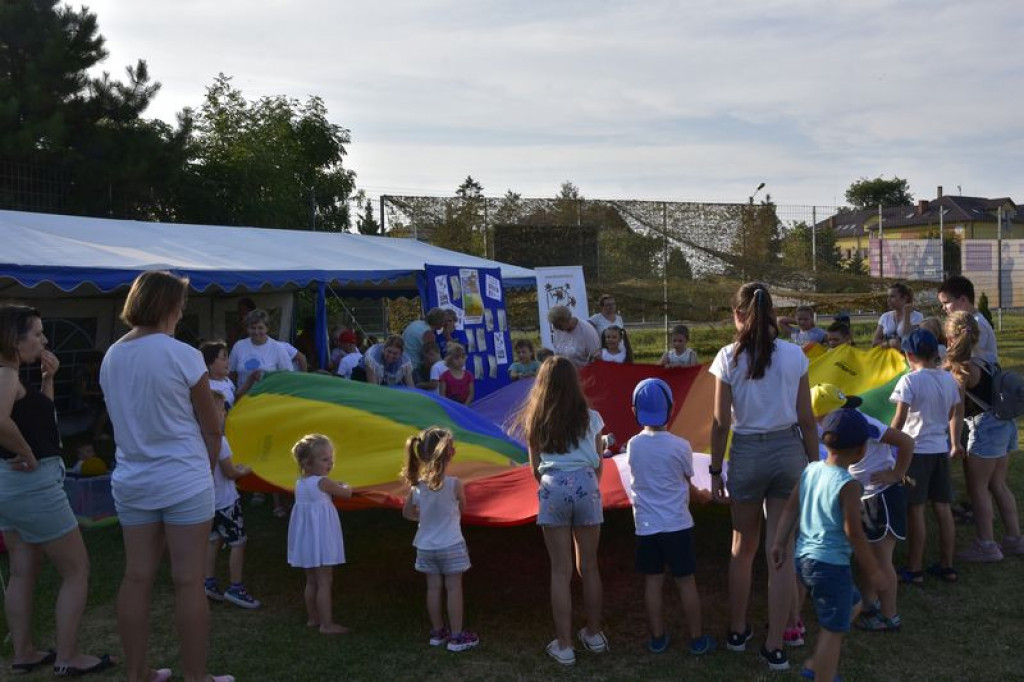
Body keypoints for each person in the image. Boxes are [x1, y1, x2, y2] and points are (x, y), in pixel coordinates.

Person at [99, 271, 231, 682]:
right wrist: (207, 471)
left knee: (137, 576)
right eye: (181, 303)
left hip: (133, 478)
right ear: (170, 306)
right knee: (188, 580)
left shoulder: (112, 355)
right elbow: (212, 427)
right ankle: (196, 677)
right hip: (183, 478)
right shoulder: (183, 355)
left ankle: (137, 672)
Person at [708, 282, 817, 672]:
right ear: (772, 315)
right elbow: (807, 420)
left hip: (747, 454)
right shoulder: (794, 355)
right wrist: (815, 466)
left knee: (743, 547)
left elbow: (721, 423)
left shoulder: (727, 357)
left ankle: (737, 631)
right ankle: (776, 646)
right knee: (780, 553)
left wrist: (716, 468)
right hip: (789, 453)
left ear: (738, 315)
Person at [0, 305, 114, 677]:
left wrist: (48, 380)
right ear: (15, 339)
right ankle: (68, 657)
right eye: (37, 333)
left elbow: (39, 420)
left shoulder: (14, 374)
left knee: (21, 570)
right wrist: (27, 452)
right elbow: (0, 421)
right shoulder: (5, 374)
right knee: (77, 569)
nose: (45, 340)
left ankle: (25, 653)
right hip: (32, 484)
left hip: (10, 486)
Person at [771, 408, 887, 682]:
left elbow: (789, 509)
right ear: (861, 450)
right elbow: (854, 533)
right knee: (834, 630)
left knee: (853, 605)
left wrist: (778, 541)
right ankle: (822, 673)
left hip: (804, 559)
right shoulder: (849, 485)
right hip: (830, 565)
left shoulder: (810, 470)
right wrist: (873, 571)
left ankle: (815, 664)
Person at [518, 357, 608, 666]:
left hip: (552, 486)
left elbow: (534, 469)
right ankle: (594, 635)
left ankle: (565, 645)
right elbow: (598, 461)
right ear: (575, 383)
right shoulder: (592, 418)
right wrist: (589, 484)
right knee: (591, 566)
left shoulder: (535, 421)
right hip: (586, 485)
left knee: (560, 571)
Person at [810, 384, 914, 632]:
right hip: (864, 497)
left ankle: (890, 615)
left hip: (882, 497)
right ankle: (870, 606)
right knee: (869, 556)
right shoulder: (820, 427)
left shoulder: (862, 422)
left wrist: (896, 473)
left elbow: (905, 441)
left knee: (881, 560)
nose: (850, 413)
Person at [626, 378, 716, 656]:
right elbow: (687, 482)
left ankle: (657, 637)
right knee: (685, 581)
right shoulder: (681, 446)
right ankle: (697, 638)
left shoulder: (633, 445)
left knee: (653, 583)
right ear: (672, 408)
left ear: (634, 411)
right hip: (677, 525)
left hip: (647, 528)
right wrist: (703, 495)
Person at [943, 312, 1023, 561]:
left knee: (978, 489)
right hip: (1005, 425)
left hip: (985, 429)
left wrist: (955, 443)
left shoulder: (961, 369)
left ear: (950, 338)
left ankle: (986, 545)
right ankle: (1014, 539)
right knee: (998, 485)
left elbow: (957, 410)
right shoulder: (986, 358)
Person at [889, 329, 963, 586]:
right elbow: (954, 412)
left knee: (916, 510)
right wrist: (953, 440)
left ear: (909, 355)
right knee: (943, 508)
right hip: (939, 449)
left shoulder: (909, 381)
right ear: (935, 352)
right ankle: (947, 565)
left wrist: (887, 442)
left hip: (915, 452)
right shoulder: (949, 380)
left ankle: (914, 568)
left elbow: (899, 419)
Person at [401, 427, 480, 652]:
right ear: (450, 452)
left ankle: (437, 633)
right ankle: (456, 637)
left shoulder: (417, 486)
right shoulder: (455, 484)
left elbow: (407, 513)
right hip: (451, 544)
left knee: (433, 589)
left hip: (425, 546)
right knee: (454, 589)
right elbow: (463, 508)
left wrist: (423, 516)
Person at [286, 434, 353, 634]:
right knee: (325, 581)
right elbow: (347, 493)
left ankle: (313, 618)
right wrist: (345, 485)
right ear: (308, 463)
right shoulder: (323, 482)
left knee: (311, 581)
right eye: (325, 459)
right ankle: (326, 624)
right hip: (321, 538)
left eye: (331, 458)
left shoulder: (299, 483)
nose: (330, 462)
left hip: (307, 539)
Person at [204, 392, 259, 609]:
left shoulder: (196, 440)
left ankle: (208, 582)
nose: (225, 413)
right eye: (221, 409)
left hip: (208, 502)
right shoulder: (220, 440)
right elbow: (229, 472)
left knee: (213, 540)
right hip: (226, 502)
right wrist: (243, 471)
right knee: (238, 542)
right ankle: (236, 587)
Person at [228, 309, 294, 391]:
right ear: (247, 328)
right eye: (252, 328)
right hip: (243, 399)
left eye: (260, 328)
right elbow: (231, 373)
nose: (256, 332)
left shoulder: (278, 348)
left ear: (267, 328)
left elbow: (288, 376)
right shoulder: (239, 346)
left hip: (268, 399)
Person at [938, 275, 998, 364]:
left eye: (946, 302)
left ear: (963, 300)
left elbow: (962, 357)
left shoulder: (977, 324)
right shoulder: (968, 321)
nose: (943, 308)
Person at [872, 283, 923, 348]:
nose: (888, 300)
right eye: (888, 296)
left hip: (906, 356)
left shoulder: (917, 317)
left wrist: (906, 315)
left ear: (904, 298)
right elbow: (874, 342)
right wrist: (889, 344)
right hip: (887, 357)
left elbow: (907, 336)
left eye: (892, 296)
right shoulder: (885, 317)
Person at [403, 308, 448, 377]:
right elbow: (432, 358)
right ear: (440, 322)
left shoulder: (416, 323)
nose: (445, 324)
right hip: (414, 368)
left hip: (403, 363)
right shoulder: (428, 334)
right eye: (444, 321)